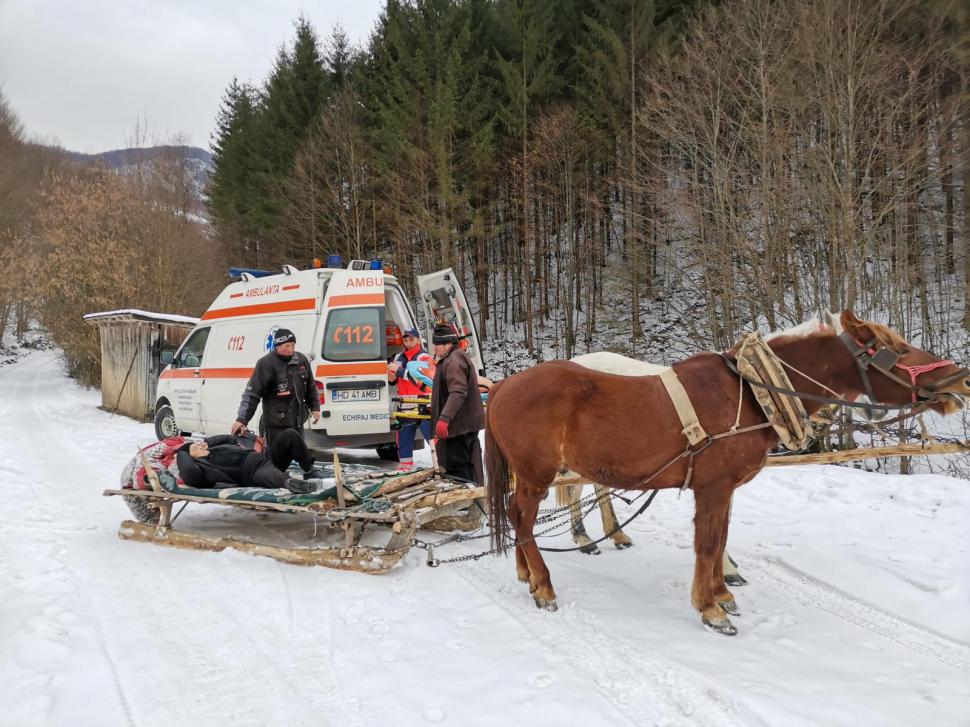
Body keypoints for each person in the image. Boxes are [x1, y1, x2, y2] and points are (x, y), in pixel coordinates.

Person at [230, 328, 321, 453]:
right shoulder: (266, 364)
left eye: (293, 345)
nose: (291, 349)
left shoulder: (301, 360)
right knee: (275, 461)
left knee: (301, 456)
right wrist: (242, 419)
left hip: (297, 422)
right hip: (275, 425)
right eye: (287, 346)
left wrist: (315, 407)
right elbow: (252, 394)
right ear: (277, 346)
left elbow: (311, 386)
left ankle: (308, 471)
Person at [175, 431, 322, 493]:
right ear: (191, 457)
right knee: (276, 477)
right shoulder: (202, 468)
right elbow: (189, 473)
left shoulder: (213, 448)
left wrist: (208, 442)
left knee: (290, 435)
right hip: (253, 472)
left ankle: (309, 469)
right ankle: (300, 486)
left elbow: (231, 438)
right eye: (195, 447)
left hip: (266, 458)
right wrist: (181, 452)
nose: (199, 445)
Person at [430, 322, 485, 483]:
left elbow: (458, 391)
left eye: (438, 345)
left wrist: (444, 417)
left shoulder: (454, 361)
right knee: (467, 463)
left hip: (458, 425)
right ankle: (473, 498)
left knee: (456, 466)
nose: (435, 348)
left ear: (448, 344)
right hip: (461, 424)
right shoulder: (452, 358)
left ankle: (464, 501)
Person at [387, 327, 435, 472]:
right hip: (404, 405)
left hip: (423, 404)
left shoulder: (424, 357)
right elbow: (392, 380)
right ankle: (404, 472)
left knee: (433, 440)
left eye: (411, 339)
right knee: (404, 443)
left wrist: (399, 371)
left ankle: (442, 467)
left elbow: (420, 379)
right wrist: (391, 372)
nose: (408, 342)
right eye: (406, 340)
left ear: (418, 340)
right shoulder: (398, 357)